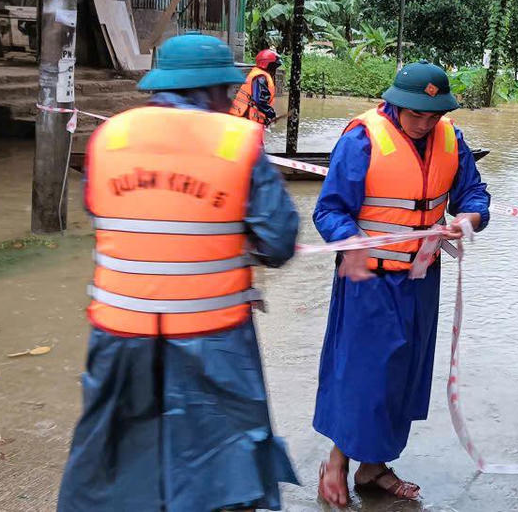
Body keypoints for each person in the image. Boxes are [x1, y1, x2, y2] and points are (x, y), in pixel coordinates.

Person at [57, 33, 300, 512]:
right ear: (213, 89)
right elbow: (279, 241)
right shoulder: (235, 141)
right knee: (222, 463)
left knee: (115, 457)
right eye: (227, 89)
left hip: (120, 335)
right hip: (211, 338)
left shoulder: (110, 137)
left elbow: (99, 213)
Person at [311, 62, 491, 505]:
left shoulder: (451, 138)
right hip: (368, 279)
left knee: (404, 376)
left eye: (434, 116)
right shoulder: (362, 139)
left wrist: (469, 217)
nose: (426, 124)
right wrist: (349, 244)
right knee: (363, 374)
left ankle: (373, 468)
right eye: (417, 115)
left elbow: (473, 192)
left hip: (421, 278)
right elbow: (329, 211)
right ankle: (337, 461)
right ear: (395, 104)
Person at [230, 48, 281, 125]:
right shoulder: (260, 77)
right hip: (246, 119)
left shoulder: (259, 74)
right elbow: (259, 100)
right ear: (268, 64)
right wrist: (271, 113)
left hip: (243, 118)